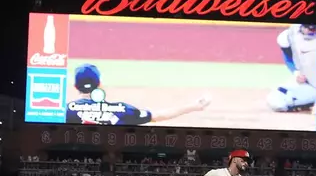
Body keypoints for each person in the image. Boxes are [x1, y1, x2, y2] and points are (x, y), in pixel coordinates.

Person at [66, 63, 211, 125]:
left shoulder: (63, 111)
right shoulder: (122, 110)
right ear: (99, 85)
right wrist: (194, 106)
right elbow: (159, 116)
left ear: (75, 86)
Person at [266, 24, 316, 112]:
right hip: (306, 81)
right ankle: (308, 101)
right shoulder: (289, 36)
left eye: (313, 28)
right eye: (308, 27)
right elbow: (288, 58)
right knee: (277, 100)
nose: (310, 31)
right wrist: (296, 73)